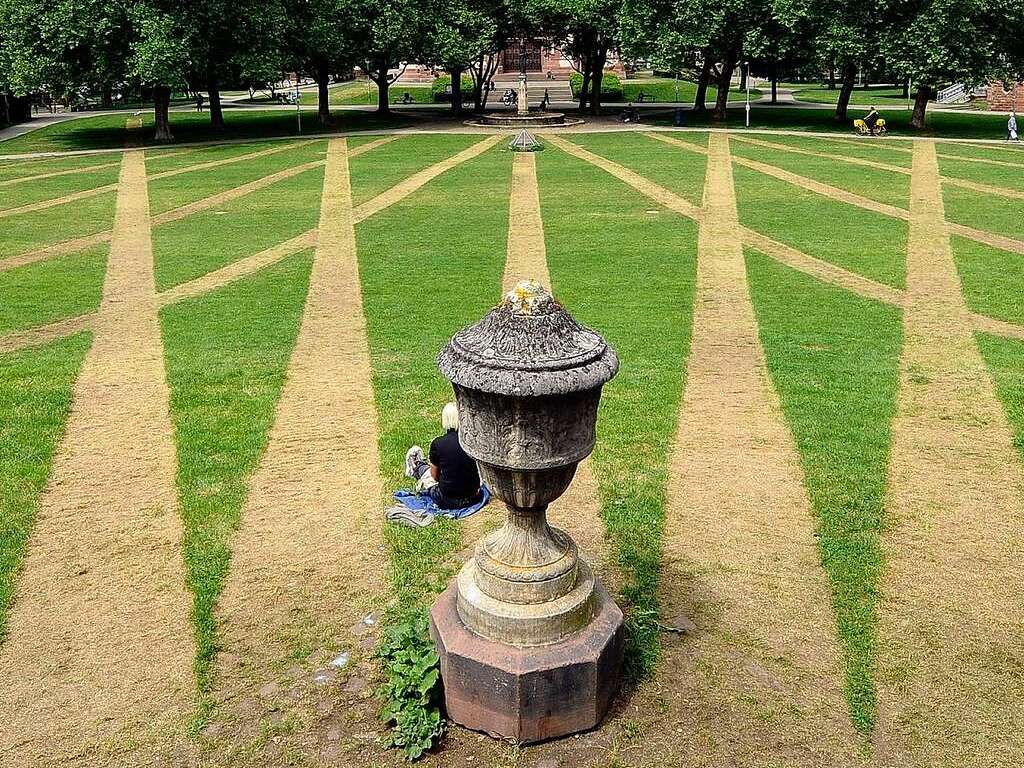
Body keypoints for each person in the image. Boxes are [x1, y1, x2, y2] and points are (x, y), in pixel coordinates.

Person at [405, 403, 482, 510]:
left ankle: (417, 465)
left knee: (426, 472)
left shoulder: (438, 444)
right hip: (474, 497)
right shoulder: (472, 441)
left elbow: (434, 476)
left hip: (446, 500)